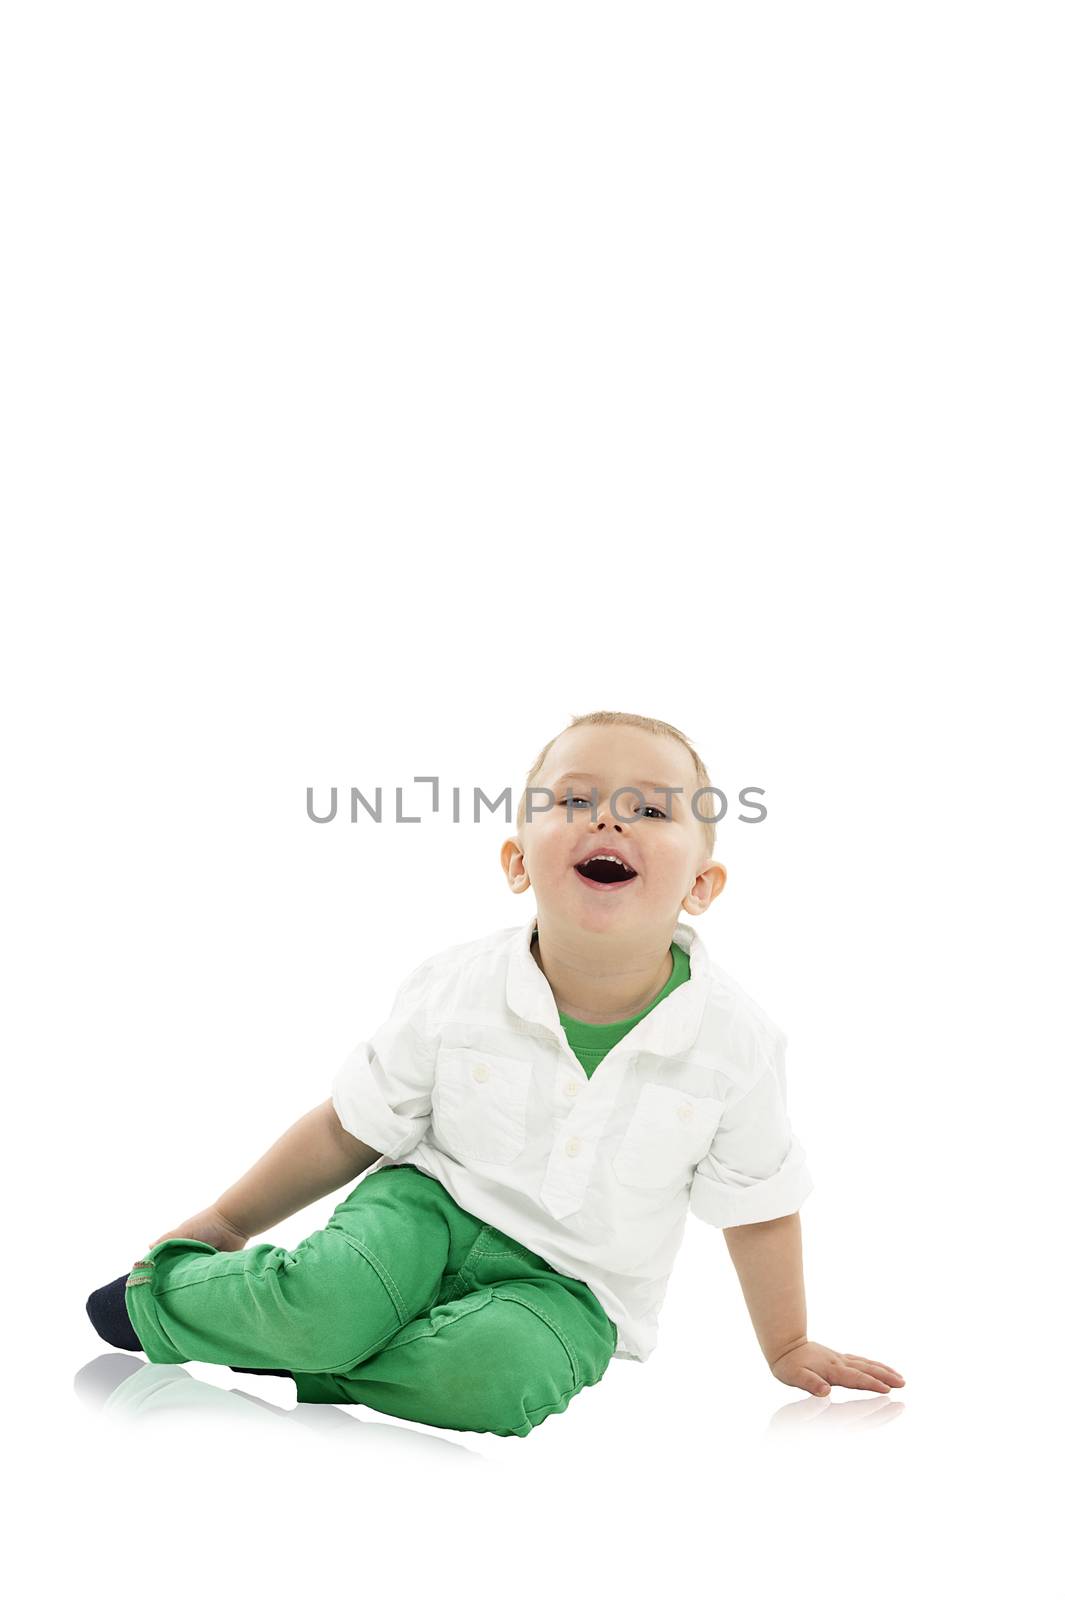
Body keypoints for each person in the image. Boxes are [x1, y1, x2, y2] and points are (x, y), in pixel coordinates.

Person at [86, 709, 904, 1436]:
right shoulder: (458, 989)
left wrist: (787, 1342)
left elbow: (757, 1203)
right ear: (517, 861)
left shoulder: (735, 1042)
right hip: (426, 1211)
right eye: (575, 802)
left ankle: (303, 1356)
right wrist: (228, 1220)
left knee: (494, 1380)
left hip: (576, 1286)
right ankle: (169, 1298)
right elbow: (348, 1126)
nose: (609, 821)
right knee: (328, 1299)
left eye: (649, 809)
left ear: (700, 885)